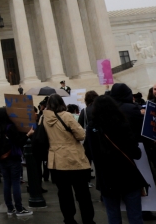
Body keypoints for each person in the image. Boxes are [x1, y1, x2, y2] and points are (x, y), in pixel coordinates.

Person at [85, 95, 146, 224]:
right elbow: (136, 153)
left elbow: (92, 153)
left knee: (113, 216)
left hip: (107, 177)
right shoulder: (122, 123)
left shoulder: (92, 127)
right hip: (128, 174)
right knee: (135, 216)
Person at [42, 94, 94, 224]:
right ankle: (88, 219)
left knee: (64, 193)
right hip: (74, 158)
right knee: (82, 193)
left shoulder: (44, 118)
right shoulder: (66, 115)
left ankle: (69, 219)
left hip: (56, 160)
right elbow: (81, 135)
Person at [0, 107, 34, 217]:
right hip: (13, 158)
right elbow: (19, 142)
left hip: (1, 159)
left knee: (7, 183)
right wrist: (28, 134)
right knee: (16, 182)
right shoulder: (10, 127)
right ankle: (19, 208)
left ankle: (10, 208)